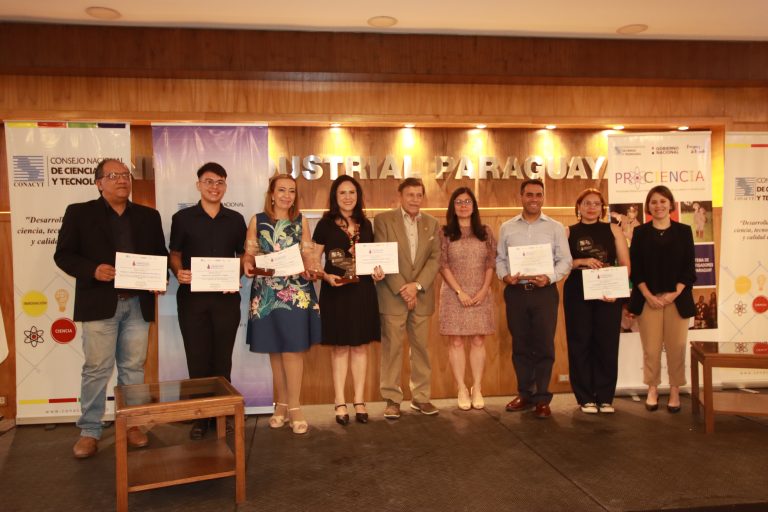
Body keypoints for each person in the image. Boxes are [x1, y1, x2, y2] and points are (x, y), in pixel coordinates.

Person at [54, 158, 168, 458]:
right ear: (99, 182)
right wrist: (93, 270)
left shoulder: (148, 216)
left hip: (137, 304)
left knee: (133, 368)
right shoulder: (79, 213)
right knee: (96, 369)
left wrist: (159, 278)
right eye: (114, 176)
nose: (122, 181)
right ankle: (90, 430)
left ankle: (132, 424)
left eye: (126, 176)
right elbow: (63, 255)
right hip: (99, 304)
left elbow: (160, 255)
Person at [169, 162, 246, 439]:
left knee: (222, 360)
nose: (215, 187)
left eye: (220, 182)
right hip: (192, 300)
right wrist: (179, 272)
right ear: (198, 184)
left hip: (226, 299)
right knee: (197, 359)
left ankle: (222, 414)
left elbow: (243, 257)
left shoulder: (236, 219)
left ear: (225, 186)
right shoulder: (183, 218)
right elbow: (174, 253)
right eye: (209, 181)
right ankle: (199, 417)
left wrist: (235, 274)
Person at [243, 174, 321, 434]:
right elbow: (250, 254)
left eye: (291, 191)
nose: (287, 195)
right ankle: (282, 404)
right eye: (282, 190)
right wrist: (247, 265)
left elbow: (308, 254)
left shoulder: (301, 221)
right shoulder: (258, 220)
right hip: (266, 293)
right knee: (275, 350)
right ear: (272, 194)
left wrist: (311, 269)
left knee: (293, 350)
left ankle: (295, 406)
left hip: (296, 292)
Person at [497, 178, 572, 419]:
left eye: (538, 195)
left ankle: (542, 397)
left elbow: (565, 261)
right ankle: (525, 394)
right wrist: (505, 276)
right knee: (520, 345)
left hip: (544, 293)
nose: (534, 199)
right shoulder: (507, 228)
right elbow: (500, 259)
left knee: (544, 345)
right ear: (521, 197)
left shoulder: (555, 227)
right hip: (516, 292)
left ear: (543, 198)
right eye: (529, 195)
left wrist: (549, 277)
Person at [312, 175, 384, 425]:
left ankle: (360, 400)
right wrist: (324, 275)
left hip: (362, 290)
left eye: (352, 192)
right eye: (342, 193)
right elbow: (313, 259)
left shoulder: (366, 224)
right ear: (335, 196)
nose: (347, 197)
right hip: (336, 291)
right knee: (340, 347)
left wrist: (378, 270)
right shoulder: (325, 224)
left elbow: (372, 258)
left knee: (361, 346)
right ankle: (340, 401)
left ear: (358, 195)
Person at [374, 177, 441, 419]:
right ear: (400, 197)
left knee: (421, 348)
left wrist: (417, 286)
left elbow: (435, 259)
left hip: (421, 295)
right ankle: (392, 399)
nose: (415, 199)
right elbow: (383, 255)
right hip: (392, 295)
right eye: (410, 195)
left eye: (419, 195)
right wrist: (403, 288)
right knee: (392, 348)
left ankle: (421, 398)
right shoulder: (383, 220)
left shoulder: (432, 223)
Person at [628, 185, 696, 414]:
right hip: (648, 300)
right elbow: (636, 270)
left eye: (663, 201)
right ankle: (652, 389)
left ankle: (675, 390)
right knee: (651, 348)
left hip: (677, 300)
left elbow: (689, 269)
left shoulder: (684, 231)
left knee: (676, 347)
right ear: (648, 206)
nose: (658, 206)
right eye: (654, 202)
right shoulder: (640, 233)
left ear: (671, 204)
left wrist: (673, 294)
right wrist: (648, 295)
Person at [563, 188, 630, 414]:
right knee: (579, 343)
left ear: (602, 208)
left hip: (607, 293)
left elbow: (625, 264)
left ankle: (604, 397)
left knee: (607, 344)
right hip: (577, 293)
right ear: (578, 207)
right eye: (587, 203)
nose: (592, 207)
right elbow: (562, 265)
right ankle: (585, 398)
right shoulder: (568, 232)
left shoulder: (613, 229)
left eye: (596, 203)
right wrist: (582, 260)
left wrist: (616, 290)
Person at [438, 187, 496, 410]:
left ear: (474, 206)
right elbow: (442, 264)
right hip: (454, 294)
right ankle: (461, 388)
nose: (463, 205)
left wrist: (483, 290)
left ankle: (477, 388)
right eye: (459, 202)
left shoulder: (485, 231)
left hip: (481, 292)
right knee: (456, 341)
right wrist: (459, 292)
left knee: (479, 340)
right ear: (453, 206)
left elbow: (491, 262)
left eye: (467, 201)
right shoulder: (444, 232)